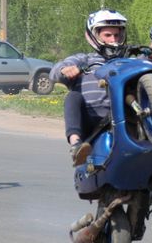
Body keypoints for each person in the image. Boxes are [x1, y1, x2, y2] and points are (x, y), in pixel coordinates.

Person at [50, 9, 131, 166]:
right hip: (90, 120)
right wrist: (65, 70)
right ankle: (76, 145)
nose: (113, 39)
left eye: (117, 35)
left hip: (123, 118)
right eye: (108, 35)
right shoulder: (84, 59)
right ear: (94, 36)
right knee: (73, 97)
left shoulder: (128, 61)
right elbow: (55, 71)